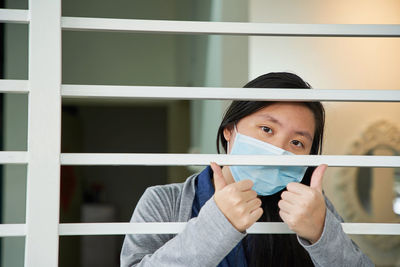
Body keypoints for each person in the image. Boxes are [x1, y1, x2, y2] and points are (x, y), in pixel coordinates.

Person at [120, 72, 374, 267]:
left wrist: (321, 235)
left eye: (297, 142)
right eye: (267, 129)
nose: (278, 151)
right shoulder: (163, 202)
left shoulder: (312, 208)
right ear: (229, 130)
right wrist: (218, 224)